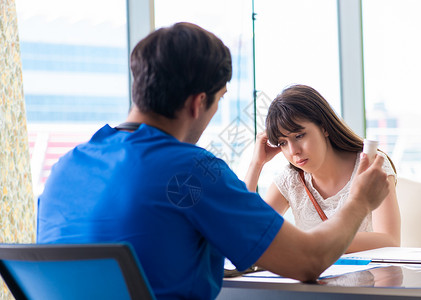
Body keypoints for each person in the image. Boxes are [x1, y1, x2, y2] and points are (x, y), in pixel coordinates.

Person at [37, 23, 390, 300]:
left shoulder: (64, 169)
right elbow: (308, 261)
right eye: (219, 100)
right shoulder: (193, 173)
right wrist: (360, 201)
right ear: (197, 103)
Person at [245, 84, 400, 253]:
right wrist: (256, 164)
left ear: (324, 127)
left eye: (299, 136)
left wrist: (312, 242)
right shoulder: (291, 180)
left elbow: (389, 240)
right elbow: (250, 232)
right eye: (283, 143)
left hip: (365, 277)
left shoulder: (371, 164)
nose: (293, 151)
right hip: (312, 277)